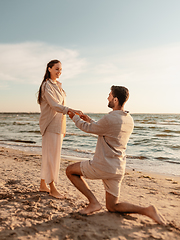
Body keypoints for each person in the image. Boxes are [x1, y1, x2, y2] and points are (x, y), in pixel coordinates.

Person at [66, 85, 166, 225]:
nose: (107, 97)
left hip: (102, 166)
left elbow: (88, 129)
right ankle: (147, 210)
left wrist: (74, 118)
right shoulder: (129, 119)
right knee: (112, 206)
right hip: (117, 168)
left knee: (70, 171)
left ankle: (93, 203)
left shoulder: (110, 118)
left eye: (110, 95)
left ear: (116, 99)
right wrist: (90, 120)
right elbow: (106, 130)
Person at [37, 59, 81, 199]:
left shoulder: (59, 86)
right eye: (56, 69)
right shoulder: (46, 85)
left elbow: (59, 106)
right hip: (50, 125)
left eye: (60, 69)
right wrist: (71, 110)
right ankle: (52, 187)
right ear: (49, 69)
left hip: (59, 125)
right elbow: (54, 105)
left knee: (50, 156)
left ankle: (43, 184)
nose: (59, 72)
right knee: (51, 157)